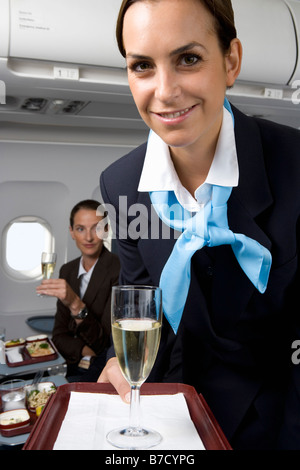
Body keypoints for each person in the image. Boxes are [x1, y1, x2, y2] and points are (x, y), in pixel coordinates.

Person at [97, 0, 300, 450]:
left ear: (230, 61)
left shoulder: (295, 165)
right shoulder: (122, 184)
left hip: (282, 412)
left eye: (188, 59)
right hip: (177, 412)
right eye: (142, 66)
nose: (165, 91)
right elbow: (142, 303)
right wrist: (118, 361)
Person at [36, 199, 120, 380]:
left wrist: (75, 303)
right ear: (72, 232)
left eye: (96, 228)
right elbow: (59, 334)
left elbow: (104, 342)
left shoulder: (118, 269)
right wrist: (83, 350)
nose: (88, 237)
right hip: (72, 360)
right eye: (81, 229)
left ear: (106, 230)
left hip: (102, 365)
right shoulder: (68, 270)